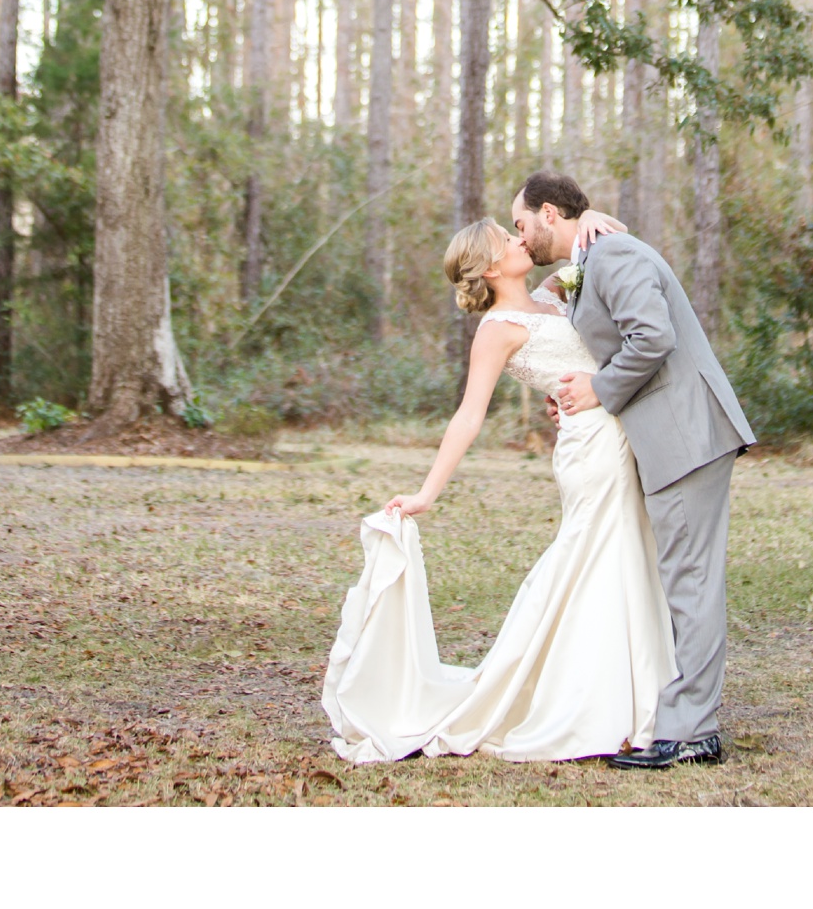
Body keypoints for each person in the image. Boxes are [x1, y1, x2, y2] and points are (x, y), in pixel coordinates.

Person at [322, 214, 676, 764]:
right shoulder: (497, 330)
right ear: (491, 267)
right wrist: (425, 494)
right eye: (509, 239)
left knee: (624, 554)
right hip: (591, 450)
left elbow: (582, 252)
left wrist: (594, 217)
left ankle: (634, 689)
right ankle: (593, 702)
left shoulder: (549, 296)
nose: (520, 240)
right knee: (598, 558)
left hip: (618, 431)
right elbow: (468, 416)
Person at [511, 169, 755, 771]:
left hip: (686, 433)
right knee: (684, 580)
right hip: (670, 436)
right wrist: (579, 385)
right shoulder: (595, 260)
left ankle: (693, 732)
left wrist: (601, 387)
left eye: (521, 224)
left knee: (691, 584)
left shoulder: (613, 253)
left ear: (549, 214)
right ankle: (687, 720)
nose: (521, 237)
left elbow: (653, 337)